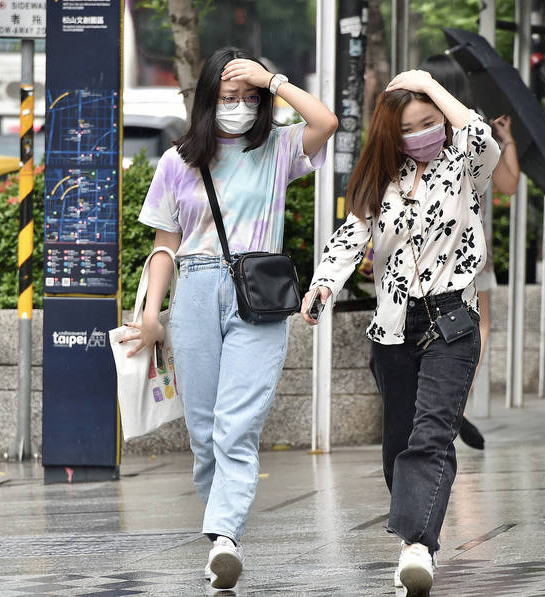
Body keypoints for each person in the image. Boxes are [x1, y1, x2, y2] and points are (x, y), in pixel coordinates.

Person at [122, 47, 337, 590]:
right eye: (227, 97)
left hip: (256, 292)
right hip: (192, 291)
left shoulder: (280, 149)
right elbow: (163, 248)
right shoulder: (178, 161)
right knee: (202, 433)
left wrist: (274, 78)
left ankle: (224, 536)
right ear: (206, 101)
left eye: (248, 98)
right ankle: (221, 529)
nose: (238, 107)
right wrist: (152, 317)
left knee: (236, 426)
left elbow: (326, 120)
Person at [301, 69, 499, 595]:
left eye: (430, 123)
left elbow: (482, 137)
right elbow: (352, 233)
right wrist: (323, 285)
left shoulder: (463, 164)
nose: (423, 134)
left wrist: (432, 87)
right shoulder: (381, 177)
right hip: (392, 324)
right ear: (392, 134)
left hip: (452, 317)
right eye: (410, 128)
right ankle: (414, 534)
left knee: (431, 434)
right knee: (397, 447)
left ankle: (417, 547)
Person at [419, 54, 520, 451]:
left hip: (420, 248)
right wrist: (506, 137)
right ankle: (452, 400)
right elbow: (508, 185)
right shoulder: (474, 129)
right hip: (471, 249)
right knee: (477, 326)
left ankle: (435, 398)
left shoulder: (415, 127)